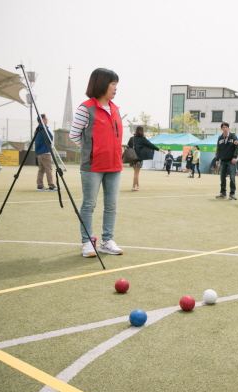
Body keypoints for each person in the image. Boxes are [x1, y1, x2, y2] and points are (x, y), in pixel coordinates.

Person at [69, 67, 125, 258]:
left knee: (111, 205)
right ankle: (86, 242)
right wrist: (91, 151)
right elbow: (74, 135)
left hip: (115, 165)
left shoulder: (116, 109)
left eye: (116, 85)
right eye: (113, 84)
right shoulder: (86, 108)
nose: (115, 88)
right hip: (93, 166)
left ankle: (107, 241)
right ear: (101, 84)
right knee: (89, 205)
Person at [127, 126, 165, 190]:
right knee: (136, 173)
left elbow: (128, 146)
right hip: (139, 158)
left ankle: (138, 185)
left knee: (135, 172)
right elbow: (151, 145)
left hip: (132, 157)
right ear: (142, 131)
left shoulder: (132, 138)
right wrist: (159, 150)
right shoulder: (143, 139)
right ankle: (133, 187)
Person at [215, 122, 238, 200]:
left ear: (228, 128)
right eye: (223, 127)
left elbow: (237, 147)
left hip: (231, 160)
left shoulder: (233, 136)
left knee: (232, 177)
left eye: (226, 127)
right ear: (221, 129)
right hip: (223, 161)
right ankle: (223, 193)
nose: (225, 129)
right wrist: (217, 159)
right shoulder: (220, 138)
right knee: (222, 177)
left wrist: (235, 157)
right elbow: (218, 149)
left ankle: (232, 194)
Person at [34, 114, 57, 191]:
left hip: (39, 152)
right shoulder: (44, 128)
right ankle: (51, 186)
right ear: (43, 119)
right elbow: (50, 138)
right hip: (45, 152)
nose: (47, 120)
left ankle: (40, 185)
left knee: (41, 169)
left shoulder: (37, 129)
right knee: (48, 169)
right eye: (46, 119)